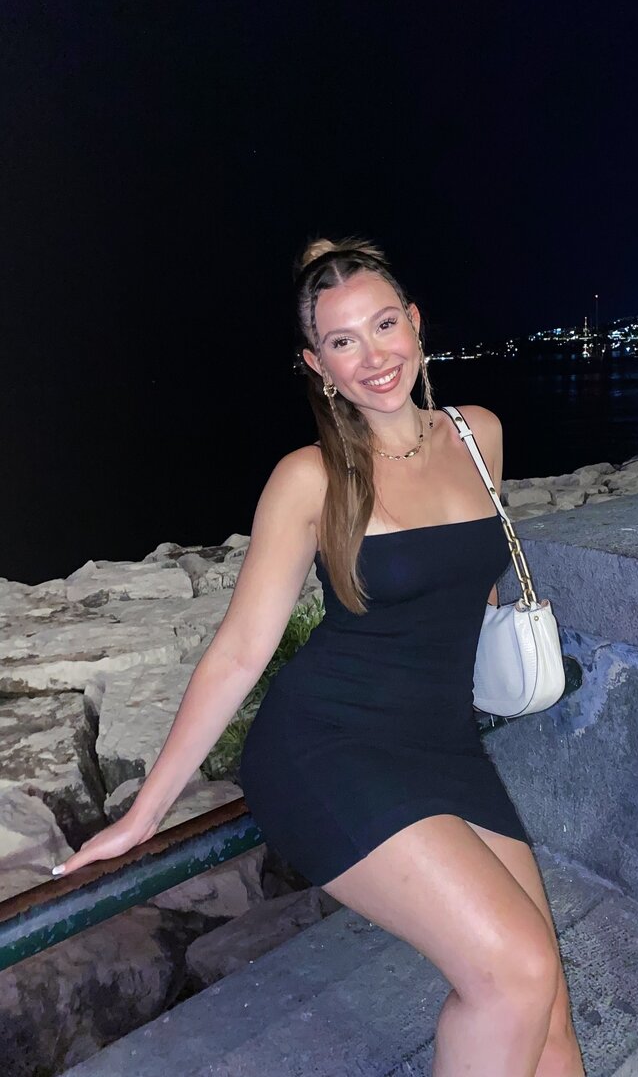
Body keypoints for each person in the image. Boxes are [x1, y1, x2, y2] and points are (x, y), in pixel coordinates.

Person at [53, 238, 586, 1077]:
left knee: (546, 1004)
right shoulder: (309, 478)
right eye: (343, 341)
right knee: (513, 977)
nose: (373, 356)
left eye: (384, 325)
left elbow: (470, 586)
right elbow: (240, 651)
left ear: (416, 323)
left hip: (442, 742)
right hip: (330, 747)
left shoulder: (477, 434)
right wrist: (144, 814)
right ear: (317, 365)